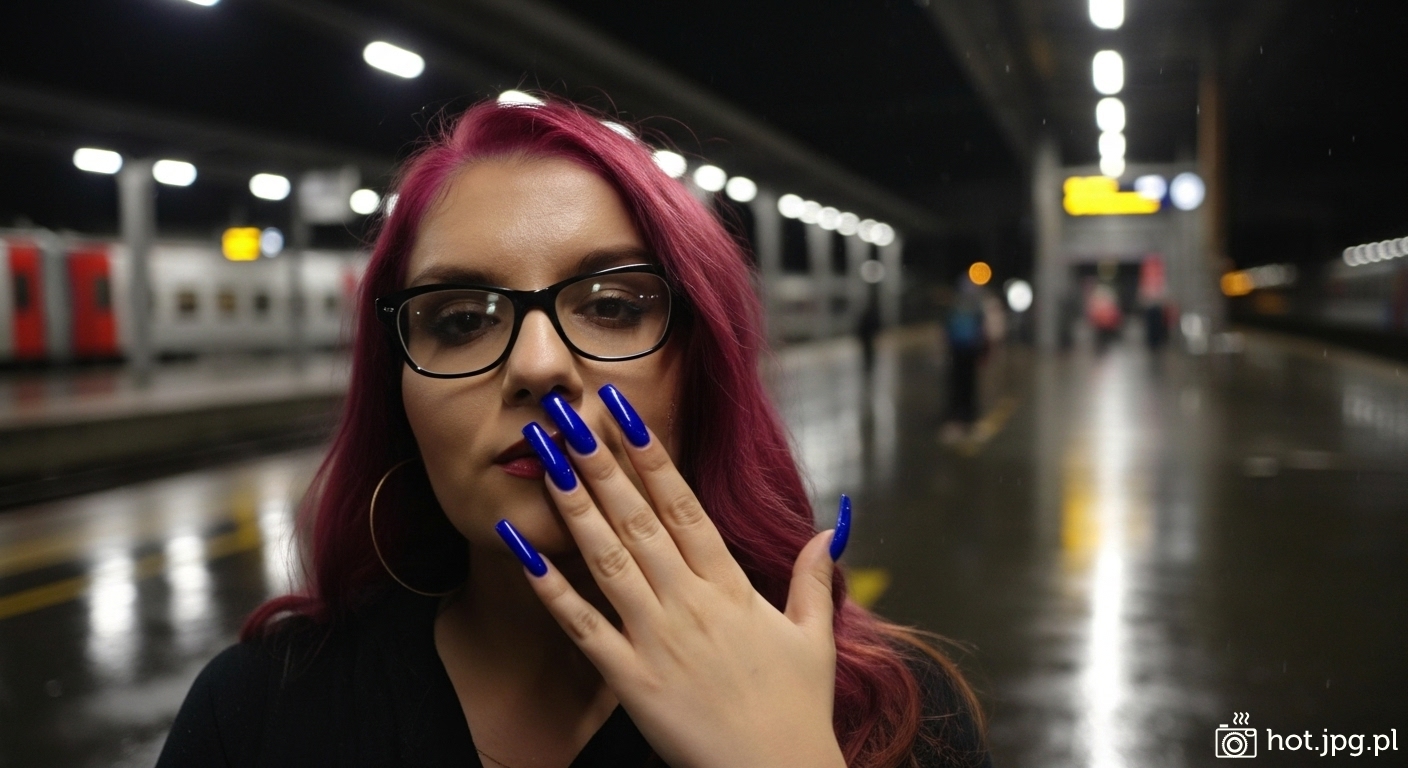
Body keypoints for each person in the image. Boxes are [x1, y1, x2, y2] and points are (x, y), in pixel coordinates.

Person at [157, 98, 991, 768]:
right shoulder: (257, 715)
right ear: (397, 391)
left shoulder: (887, 715)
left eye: (613, 306)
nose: (538, 365)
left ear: (701, 366)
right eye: (460, 319)